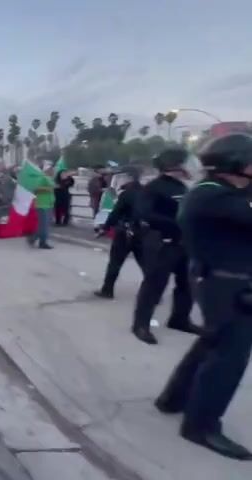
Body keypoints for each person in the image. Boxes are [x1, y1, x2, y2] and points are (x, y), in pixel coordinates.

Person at [154, 133, 252, 460]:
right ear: (236, 163)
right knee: (228, 358)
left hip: (221, 281)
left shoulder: (219, 192)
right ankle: (201, 426)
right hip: (227, 285)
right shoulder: (213, 196)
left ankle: (173, 399)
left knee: (211, 343)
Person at [131, 148, 202, 345]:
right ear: (175, 165)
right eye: (186, 162)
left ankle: (179, 319)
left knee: (187, 284)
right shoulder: (154, 187)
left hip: (184, 243)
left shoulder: (183, 186)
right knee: (154, 285)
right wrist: (176, 223)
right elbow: (143, 214)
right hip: (162, 242)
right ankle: (140, 325)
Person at [94, 167, 145, 299]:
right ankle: (153, 292)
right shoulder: (146, 192)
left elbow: (115, 214)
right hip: (142, 233)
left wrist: (105, 228)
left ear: (129, 177)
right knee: (146, 264)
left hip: (124, 232)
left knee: (115, 262)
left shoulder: (126, 194)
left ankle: (107, 290)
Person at [27, 166, 56, 249]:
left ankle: (33, 238)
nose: (52, 171)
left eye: (53, 170)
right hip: (42, 205)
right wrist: (47, 189)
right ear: (46, 170)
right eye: (50, 170)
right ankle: (42, 242)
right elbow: (35, 189)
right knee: (43, 225)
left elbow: (51, 188)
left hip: (49, 204)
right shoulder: (42, 178)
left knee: (45, 225)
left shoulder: (50, 179)